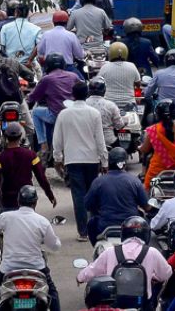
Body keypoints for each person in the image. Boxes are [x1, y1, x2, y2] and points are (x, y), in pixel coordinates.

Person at [0, 185, 62, 311]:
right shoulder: (42, 221)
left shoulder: (6, 217)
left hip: (9, 268)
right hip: (36, 268)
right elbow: (55, 246)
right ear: (35, 202)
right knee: (52, 293)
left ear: (18, 201)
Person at [77, 216, 172, 311]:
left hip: (115, 303)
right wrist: (152, 275)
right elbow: (166, 274)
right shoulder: (152, 252)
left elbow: (93, 270)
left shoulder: (110, 251)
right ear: (146, 235)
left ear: (123, 233)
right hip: (142, 304)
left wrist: (80, 277)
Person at [54, 80, 108, 241]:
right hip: (92, 159)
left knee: (78, 195)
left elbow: (57, 140)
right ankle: (95, 229)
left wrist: (58, 158)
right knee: (93, 195)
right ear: (87, 94)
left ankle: (83, 232)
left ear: (73, 95)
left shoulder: (64, 114)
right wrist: (104, 161)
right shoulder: (94, 113)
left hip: (72, 160)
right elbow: (100, 140)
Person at [83, 147, 148, 245]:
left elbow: (87, 204)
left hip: (104, 227)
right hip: (131, 227)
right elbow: (146, 206)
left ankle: (97, 248)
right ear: (124, 163)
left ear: (109, 163)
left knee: (91, 221)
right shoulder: (134, 181)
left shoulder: (98, 182)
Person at [0, 123, 57, 211]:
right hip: (28, 199)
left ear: (5, 137)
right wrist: (50, 195)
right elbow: (41, 177)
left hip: (8, 199)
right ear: (21, 136)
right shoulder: (31, 155)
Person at [28, 52, 81, 162]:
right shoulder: (74, 76)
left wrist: (25, 99)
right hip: (75, 114)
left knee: (35, 112)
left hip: (56, 115)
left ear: (47, 66)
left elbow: (33, 97)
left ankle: (43, 145)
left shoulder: (46, 79)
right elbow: (83, 88)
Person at [139, 100, 175, 191]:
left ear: (157, 115)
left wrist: (139, 148)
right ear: (174, 113)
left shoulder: (152, 130)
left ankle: (148, 204)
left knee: (149, 185)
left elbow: (145, 149)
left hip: (157, 172)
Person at [0, 42, 37, 136]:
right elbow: (30, 76)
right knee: (30, 128)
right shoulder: (13, 62)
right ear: (1, 51)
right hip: (18, 100)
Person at [0, 2, 42, 68]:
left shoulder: (5, 28)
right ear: (27, 14)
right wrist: (30, 60)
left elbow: (2, 47)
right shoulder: (36, 29)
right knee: (40, 75)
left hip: (10, 65)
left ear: (16, 12)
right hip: (29, 66)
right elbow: (39, 45)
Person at [86, 77, 123, 149]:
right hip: (109, 141)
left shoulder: (84, 104)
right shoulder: (111, 105)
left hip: (87, 141)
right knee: (121, 153)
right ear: (104, 90)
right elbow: (119, 125)